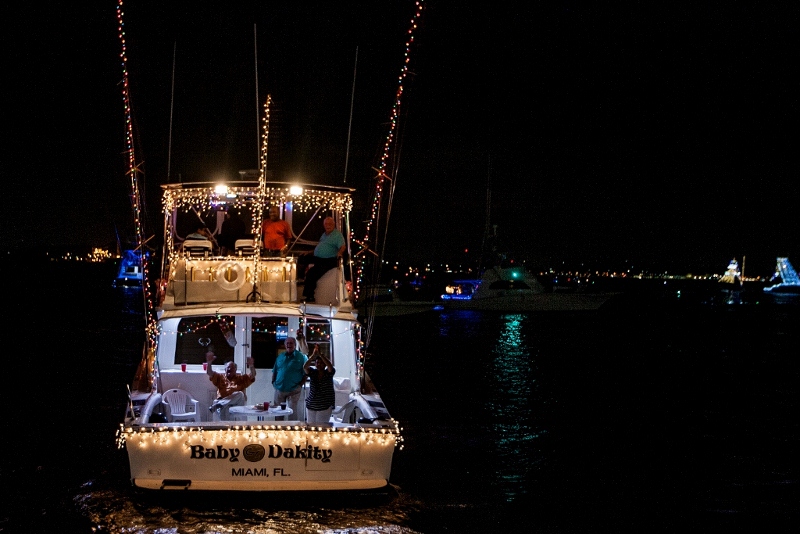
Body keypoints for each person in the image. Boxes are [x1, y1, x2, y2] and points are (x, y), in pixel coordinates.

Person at [302, 216, 345, 303]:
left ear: (334, 224)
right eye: (326, 224)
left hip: (328, 260)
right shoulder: (324, 234)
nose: (328, 225)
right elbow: (322, 246)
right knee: (302, 259)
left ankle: (310, 296)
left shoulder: (337, 235)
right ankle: (300, 278)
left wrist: (340, 253)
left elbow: (343, 247)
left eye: (330, 224)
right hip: (319, 258)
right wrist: (310, 252)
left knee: (312, 273)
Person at [206, 350, 256, 420]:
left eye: (232, 368)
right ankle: (226, 428)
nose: (229, 369)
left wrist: (251, 365)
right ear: (225, 369)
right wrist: (209, 362)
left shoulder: (241, 378)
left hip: (237, 404)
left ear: (235, 370)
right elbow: (209, 373)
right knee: (225, 409)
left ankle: (220, 404)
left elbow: (253, 375)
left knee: (240, 394)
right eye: (228, 368)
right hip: (224, 403)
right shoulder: (220, 377)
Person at [271, 336, 308, 418]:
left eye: (291, 343)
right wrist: (273, 382)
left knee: (292, 413)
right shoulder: (280, 356)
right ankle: (278, 430)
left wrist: (300, 385)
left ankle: (292, 429)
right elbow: (275, 370)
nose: (289, 345)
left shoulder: (301, 357)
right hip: (279, 389)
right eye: (287, 343)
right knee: (278, 413)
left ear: (295, 345)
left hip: (294, 390)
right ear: (285, 345)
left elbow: (306, 373)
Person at [303, 345, 336, 424]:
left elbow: (330, 366)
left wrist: (321, 355)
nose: (319, 364)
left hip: (324, 407)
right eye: (317, 363)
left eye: (321, 363)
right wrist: (313, 356)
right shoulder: (312, 372)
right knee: (311, 428)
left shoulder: (328, 373)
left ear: (324, 364)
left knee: (322, 428)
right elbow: (305, 367)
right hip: (311, 405)